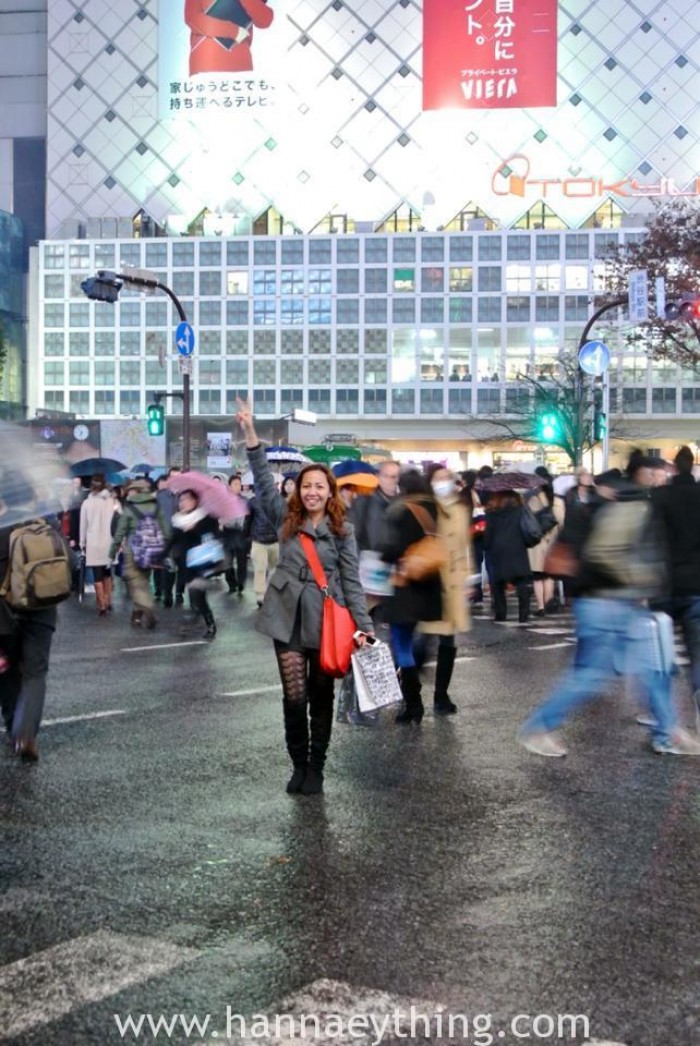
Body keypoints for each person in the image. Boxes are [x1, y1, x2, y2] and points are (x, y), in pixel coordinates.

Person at [519, 454, 700, 758]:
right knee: (593, 675)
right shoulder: (633, 501)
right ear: (644, 473)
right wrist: (645, 580)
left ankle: (667, 731)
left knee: (655, 668)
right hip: (612, 601)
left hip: (615, 601)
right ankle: (538, 726)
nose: (660, 477)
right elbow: (609, 554)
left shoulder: (605, 503)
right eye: (656, 472)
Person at [236, 396, 373, 796]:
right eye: (306, 486)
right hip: (285, 614)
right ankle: (297, 763)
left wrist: (364, 629)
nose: (312, 492)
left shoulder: (343, 531)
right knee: (293, 695)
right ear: (298, 490)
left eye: (319, 486)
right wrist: (250, 432)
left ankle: (317, 766)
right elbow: (262, 480)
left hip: (327, 618)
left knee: (320, 694)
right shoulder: (286, 518)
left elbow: (352, 580)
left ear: (330, 492)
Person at [0, 472, 60, 762]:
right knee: (36, 674)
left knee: (8, 672)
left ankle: (13, 728)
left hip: (5, 615)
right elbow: (69, 565)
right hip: (42, 611)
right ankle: (27, 734)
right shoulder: (47, 527)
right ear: (31, 497)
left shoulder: (1, 527)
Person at [378, 469, 443, 724]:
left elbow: (393, 548)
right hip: (431, 584)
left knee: (401, 644)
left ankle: (413, 704)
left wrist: (383, 555)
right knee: (417, 637)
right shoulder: (436, 509)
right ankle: (420, 662)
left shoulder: (401, 510)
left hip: (406, 586)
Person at [415, 466, 472, 715]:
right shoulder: (424, 507)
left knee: (447, 639)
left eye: (446, 479)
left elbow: (464, 547)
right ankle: (410, 689)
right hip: (428, 578)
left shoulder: (460, 510)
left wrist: (466, 578)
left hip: (452, 582)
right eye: (437, 479)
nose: (442, 483)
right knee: (421, 638)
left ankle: (441, 695)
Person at [652, 445, 700, 725]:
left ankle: (663, 722)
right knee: (697, 652)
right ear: (692, 466)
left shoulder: (660, 497)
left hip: (664, 585)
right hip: (696, 585)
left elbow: (651, 538)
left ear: (673, 467)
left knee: (661, 656)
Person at [109, 479, 169, 630]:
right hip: (151, 552)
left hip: (132, 551)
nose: (128, 493)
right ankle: (136, 614)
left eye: (131, 491)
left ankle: (149, 608)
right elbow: (166, 531)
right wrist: (163, 549)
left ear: (136, 492)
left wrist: (112, 551)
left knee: (136, 583)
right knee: (143, 582)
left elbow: (119, 533)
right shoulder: (156, 507)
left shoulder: (129, 509)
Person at [163, 490, 222, 639]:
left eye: (187, 499)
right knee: (196, 597)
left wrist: (195, 528)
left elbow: (213, 534)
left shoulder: (205, 518)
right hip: (186, 564)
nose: (183, 503)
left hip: (202, 564)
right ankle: (197, 617)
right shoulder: (178, 520)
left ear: (195, 501)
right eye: (181, 500)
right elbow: (171, 540)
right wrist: (161, 555)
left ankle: (210, 625)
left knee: (198, 595)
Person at [185, 0, 274, 76]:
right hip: (205, 65)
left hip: (240, 65)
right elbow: (192, 17)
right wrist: (234, 31)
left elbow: (265, 20)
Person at [483, 490, 532, 623]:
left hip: (498, 548)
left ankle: (501, 613)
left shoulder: (492, 512)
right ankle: (524, 613)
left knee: (498, 583)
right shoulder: (520, 510)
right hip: (517, 546)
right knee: (521, 580)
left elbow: (488, 535)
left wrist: (486, 546)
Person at [79, 474, 119, 616]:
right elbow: (119, 520)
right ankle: (108, 601)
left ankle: (101, 604)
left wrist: (82, 543)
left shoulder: (86, 503)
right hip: (109, 541)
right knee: (108, 572)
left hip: (93, 542)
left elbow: (83, 526)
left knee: (97, 574)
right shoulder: (113, 501)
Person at [154, 468, 182, 608]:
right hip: (166, 537)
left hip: (183, 537)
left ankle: (179, 592)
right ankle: (168, 594)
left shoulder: (186, 495)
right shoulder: (160, 496)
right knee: (168, 567)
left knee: (182, 567)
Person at [248, 488, 280, 607]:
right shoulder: (253, 502)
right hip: (258, 540)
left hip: (275, 540)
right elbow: (248, 519)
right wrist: (247, 536)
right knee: (260, 568)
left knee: (274, 569)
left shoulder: (278, 502)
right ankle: (260, 594)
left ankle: (271, 591)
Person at [222, 473, 251, 595]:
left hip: (241, 534)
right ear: (229, 486)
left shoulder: (246, 501)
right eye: (235, 484)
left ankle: (241, 583)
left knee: (242, 561)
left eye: (239, 484)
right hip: (227, 533)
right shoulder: (223, 501)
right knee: (227, 562)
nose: (238, 486)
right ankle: (231, 583)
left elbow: (249, 517)